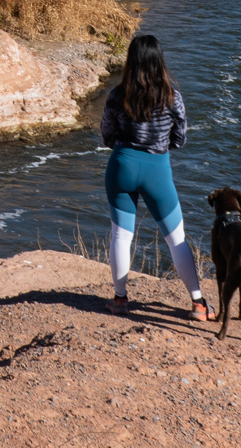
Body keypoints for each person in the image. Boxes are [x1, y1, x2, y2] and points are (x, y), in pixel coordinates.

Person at [99, 33, 211, 319]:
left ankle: (120, 300)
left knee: (121, 236)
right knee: (176, 239)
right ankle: (199, 304)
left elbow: (106, 135)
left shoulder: (116, 95)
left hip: (121, 165)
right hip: (157, 169)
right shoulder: (173, 98)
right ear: (159, 61)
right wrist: (158, 147)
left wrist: (126, 149)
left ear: (131, 62)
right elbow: (180, 140)